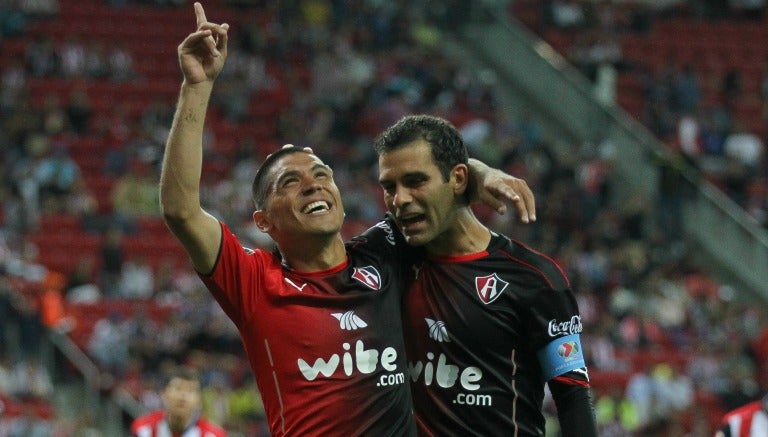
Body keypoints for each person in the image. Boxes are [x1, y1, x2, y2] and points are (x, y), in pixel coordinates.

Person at [160, 4, 535, 436]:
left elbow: (431, 182)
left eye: (321, 175)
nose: (313, 185)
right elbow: (181, 208)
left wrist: (482, 172)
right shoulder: (255, 282)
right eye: (290, 183)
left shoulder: (384, 250)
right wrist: (196, 85)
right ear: (263, 222)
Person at [375, 114, 598, 436]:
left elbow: (573, 396)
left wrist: (479, 170)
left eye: (415, 181)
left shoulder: (533, 278)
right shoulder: (386, 255)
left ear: (458, 179)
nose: (400, 199)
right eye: (389, 187)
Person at [130, 366, 226, 437]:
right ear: (164, 394)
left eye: (190, 390)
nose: (183, 395)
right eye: (178, 388)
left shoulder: (214, 435)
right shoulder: (143, 430)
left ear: (199, 400)